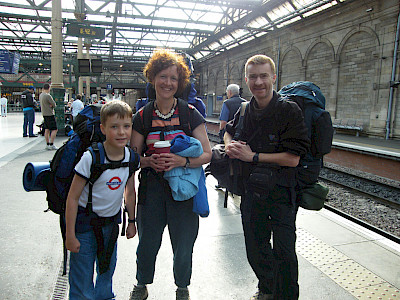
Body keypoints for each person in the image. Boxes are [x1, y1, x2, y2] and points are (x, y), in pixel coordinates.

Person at [224, 55, 310, 300]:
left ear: (273, 78)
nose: (258, 82)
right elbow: (228, 132)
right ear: (246, 80)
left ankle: (286, 296)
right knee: (255, 248)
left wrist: (253, 157)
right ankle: (267, 289)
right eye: (253, 77)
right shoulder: (244, 109)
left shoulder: (288, 110)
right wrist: (230, 146)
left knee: (284, 252)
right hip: (252, 192)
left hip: (282, 192)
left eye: (263, 76)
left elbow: (293, 159)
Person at [129, 49, 211, 300]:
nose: (167, 83)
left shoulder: (189, 113)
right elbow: (131, 158)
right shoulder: (142, 116)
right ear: (153, 78)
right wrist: (148, 161)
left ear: (180, 82)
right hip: (152, 189)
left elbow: (207, 154)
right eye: (162, 77)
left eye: (173, 78)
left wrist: (182, 160)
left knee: (184, 244)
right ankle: (142, 284)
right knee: (148, 243)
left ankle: (182, 287)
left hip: (184, 189)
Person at [65, 100, 139, 300]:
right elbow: (72, 198)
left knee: (107, 270)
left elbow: (130, 191)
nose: (121, 132)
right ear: (103, 129)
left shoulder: (130, 158)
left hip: (110, 224)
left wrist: (132, 222)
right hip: (84, 225)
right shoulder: (92, 157)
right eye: (114, 127)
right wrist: (70, 235)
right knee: (82, 277)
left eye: (126, 126)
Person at [39, 83, 58, 150]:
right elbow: (54, 104)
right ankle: (51, 144)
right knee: (54, 129)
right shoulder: (48, 96)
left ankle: (47, 144)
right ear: (49, 88)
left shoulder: (41, 95)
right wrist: (51, 105)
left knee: (46, 129)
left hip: (44, 114)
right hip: (50, 114)